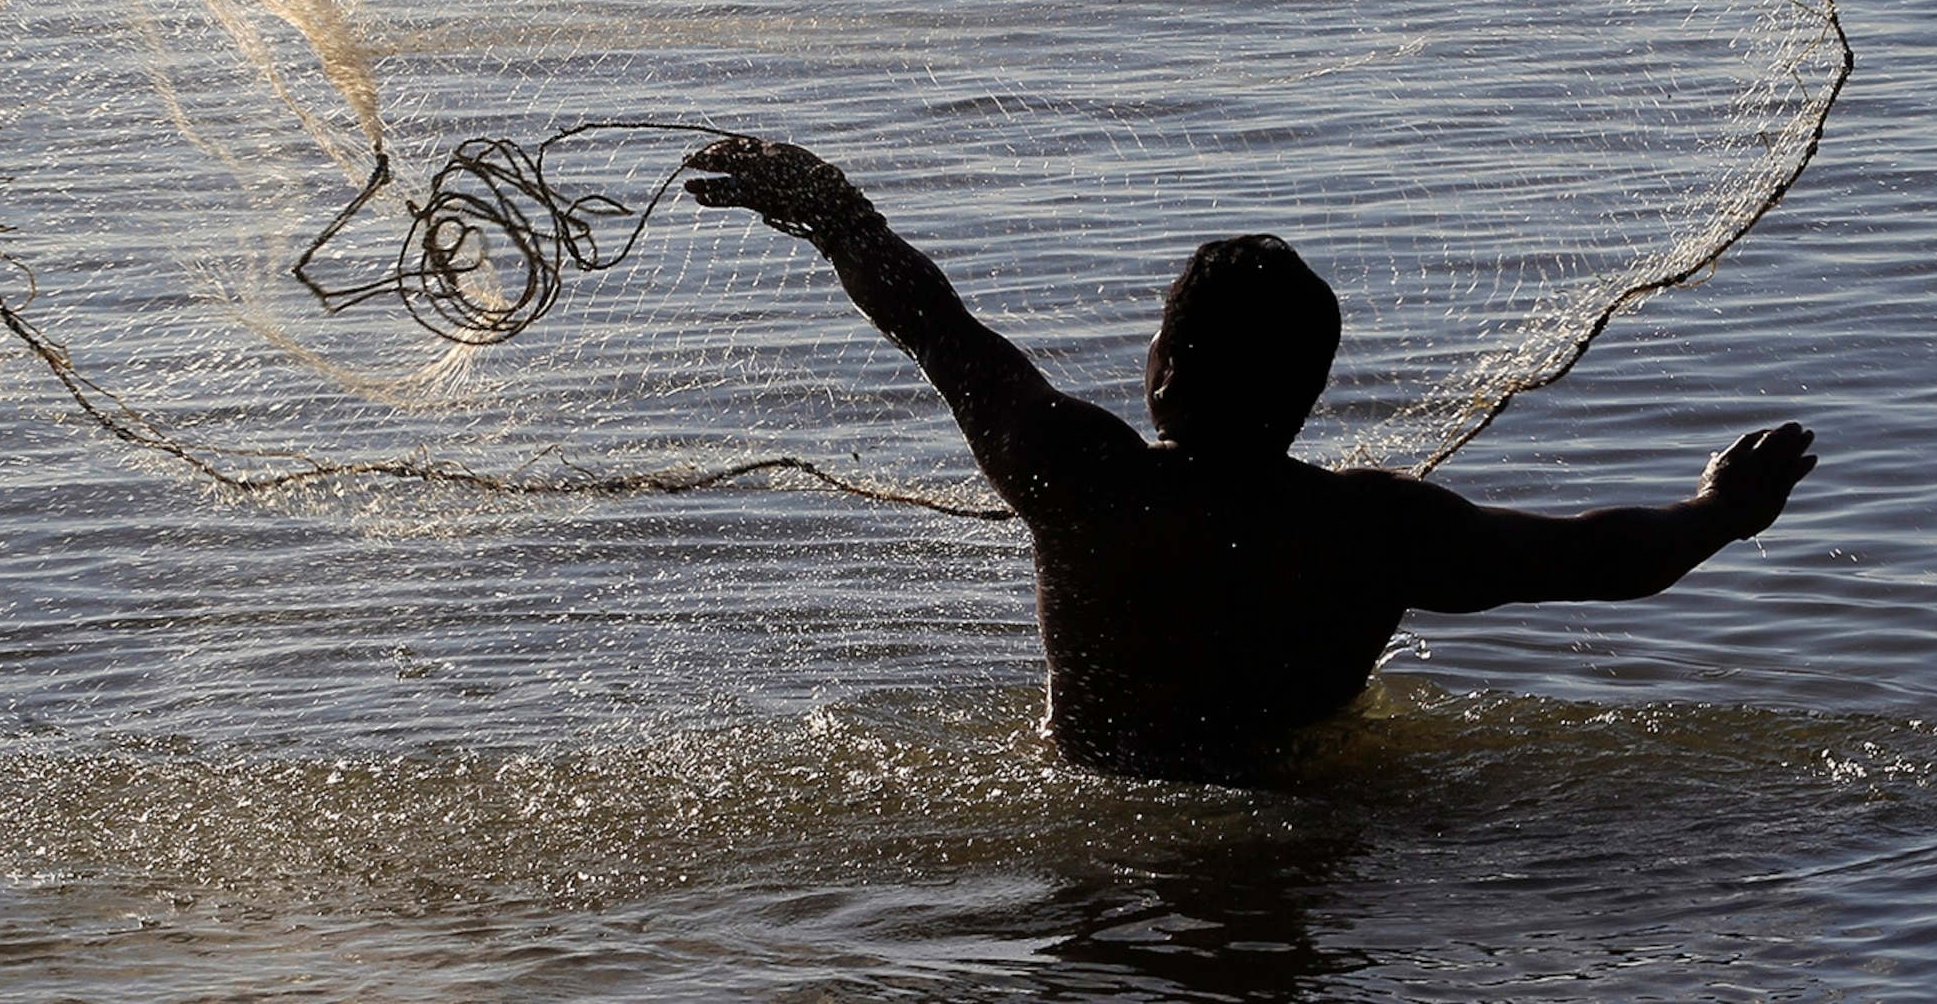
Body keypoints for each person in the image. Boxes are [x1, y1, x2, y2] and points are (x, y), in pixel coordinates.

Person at [684, 135, 1820, 787]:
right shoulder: (1376, 528)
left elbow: (936, 326)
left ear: (1164, 370)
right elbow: (1604, 559)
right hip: (1315, 813)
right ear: (1311, 392)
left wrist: (835, 213)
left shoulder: (1086, 478)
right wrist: (1721, 507)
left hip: (1104, 806)